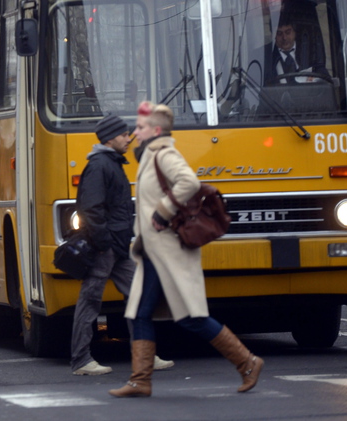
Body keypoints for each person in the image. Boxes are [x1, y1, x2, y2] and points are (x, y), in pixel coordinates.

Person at [110, 102, 263, 398]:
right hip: (155, 251)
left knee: (190, 317)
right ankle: (140, 381)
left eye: (140, 127)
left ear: (155, 131)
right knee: (140, 313)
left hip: (169, 251)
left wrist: (162, 211)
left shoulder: (164, 154)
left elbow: (189, 182)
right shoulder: (150, 155)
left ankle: (247, 361)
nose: (135, 133)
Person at [71, 114, 174, 376]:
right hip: (105, 247)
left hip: (116, 246)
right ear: (109, 138)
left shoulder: (111, 163)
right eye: (123, 135)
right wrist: (104, 242)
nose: (128, 139)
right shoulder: (99, 166)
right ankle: (81, 360)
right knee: (90, 301)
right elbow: (91, 209)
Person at [262, 19, 326, 85]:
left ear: (295, 32)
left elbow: (324, 75)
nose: (284, 38)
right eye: (279, 33)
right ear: (273, 35)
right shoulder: (265, 57)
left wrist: (316, 80)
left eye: (288, 32)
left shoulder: (310, 50)